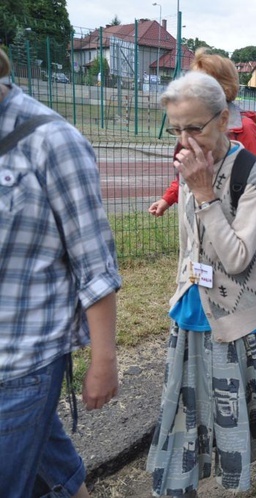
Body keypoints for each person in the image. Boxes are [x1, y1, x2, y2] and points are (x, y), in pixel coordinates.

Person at [146, 72, 256, 495]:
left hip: (238, 313)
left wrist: (205, 193)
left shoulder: (255, 175)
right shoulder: (191, 165)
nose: (184, 140)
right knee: (190, 404)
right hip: (191, 305)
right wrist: (180, 288)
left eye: (195, 127)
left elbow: (237, 258)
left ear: (224, 118)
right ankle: (188, 474)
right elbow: (188, 243)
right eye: (175, 129)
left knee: (251, 402)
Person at [0, 48, 122, 497]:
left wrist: (103, 359)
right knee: (55, 475)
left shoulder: (52, 140)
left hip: (22, 363)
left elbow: (94, 263)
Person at [149, 48, 256, 217]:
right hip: (200, 211)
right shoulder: (188, 130)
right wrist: (168, 198)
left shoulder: (244, 128)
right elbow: (187, 173)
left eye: (200, 84)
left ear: (223, 88)